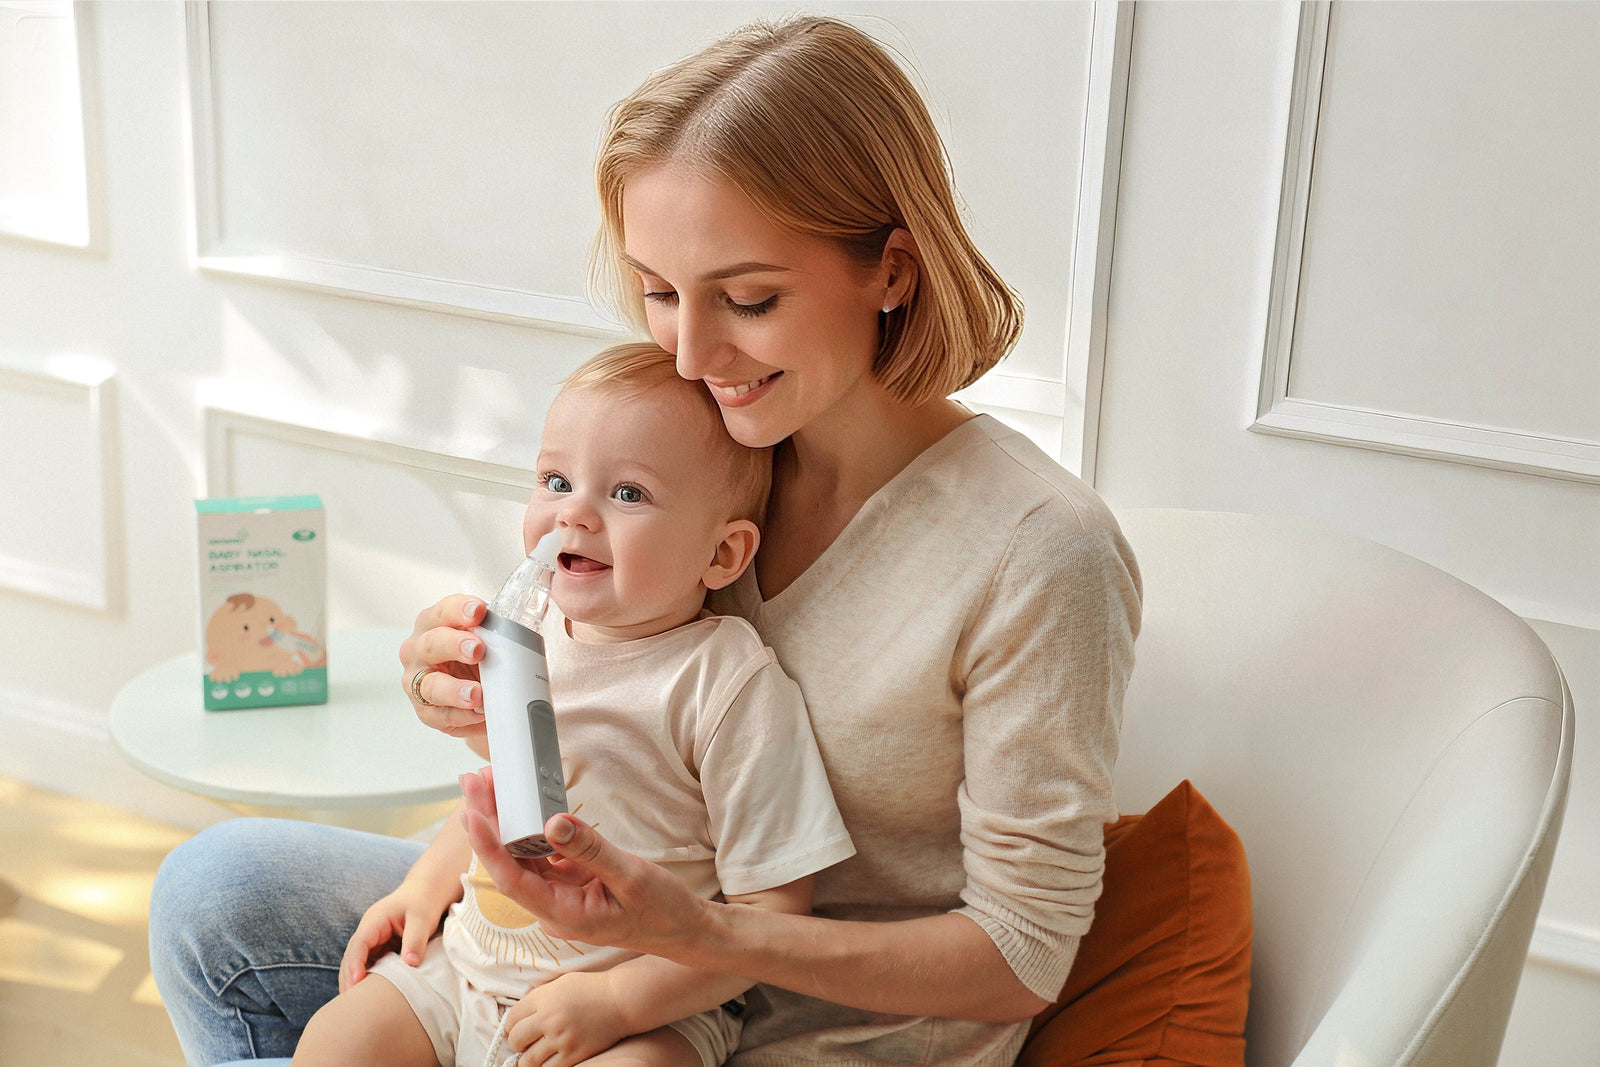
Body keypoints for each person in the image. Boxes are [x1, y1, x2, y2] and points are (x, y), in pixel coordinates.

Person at [150, 14, 1140, 1067]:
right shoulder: (701, 449)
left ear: (892, 269)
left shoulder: (1039, 550)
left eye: (749, 299)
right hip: (577, 947)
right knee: (213, 892)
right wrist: (481, 730)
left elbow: (1022, 952)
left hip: (799, 1030)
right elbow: (611, 739)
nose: (691, 351)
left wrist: (696, 939)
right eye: (661, 292)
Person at [289, 342, 854, 1067]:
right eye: (556, 480)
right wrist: (422, 886)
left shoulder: (726, 687)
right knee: (335, 1041)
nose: (573, 514)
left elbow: (774, 918)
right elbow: (499, 806)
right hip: (465, 968)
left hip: (638, 1010)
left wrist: (619, 1003)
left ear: (722, 554)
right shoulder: (526, 639)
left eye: (627, 493)